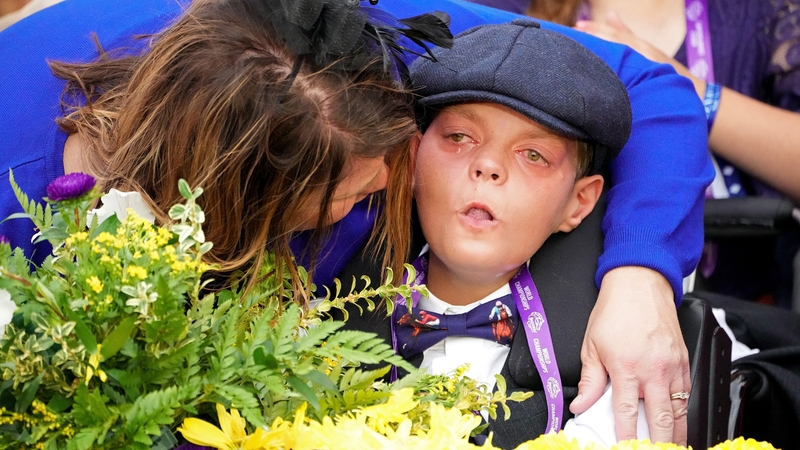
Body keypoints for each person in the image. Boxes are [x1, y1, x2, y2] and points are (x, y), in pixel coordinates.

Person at [0, 0, 714, 443]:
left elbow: (648, 86)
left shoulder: (323, 29)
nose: (385, 190)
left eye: (394, 164)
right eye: (345, 204)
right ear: (229, 223)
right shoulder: (21, 216)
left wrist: (640, 273)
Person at [343, 19, 639, 447]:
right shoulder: (317, 311)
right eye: (460, 137)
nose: (487, 165)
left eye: (533, 154)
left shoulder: (614, 367)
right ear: (412, 158)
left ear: (579, 203)